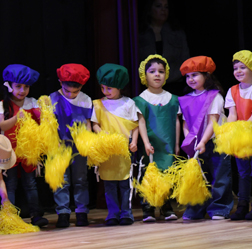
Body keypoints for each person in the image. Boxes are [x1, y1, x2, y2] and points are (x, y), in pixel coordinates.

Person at [178, 56, 234, 220]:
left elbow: (213, 122)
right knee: (199, 177)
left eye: (195, 75)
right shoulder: (186, 99)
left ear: (206, 76)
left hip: (216, 141)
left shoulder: (214, 96)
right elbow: (185, 124)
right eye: (188, 76)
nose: (191, 79)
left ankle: (219, 208)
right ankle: (196, 209)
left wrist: (203, 141)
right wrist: (190, 142)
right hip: (197, 144)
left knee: (220, 176)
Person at [0, 64, 47, 227]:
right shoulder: (4, 104)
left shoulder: (32, 102)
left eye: (26, 87)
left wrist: (45, 113)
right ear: (9, 86)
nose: (22, 90)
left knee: (30, 184)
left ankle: (36, 215)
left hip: (28, 151)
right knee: (10, 184)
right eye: (18, 86)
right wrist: (17, 117)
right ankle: (11, 217)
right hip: (9, 150)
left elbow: (43, 122)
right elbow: (2, 125)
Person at [92, 64, 140, 226]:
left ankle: (126, 213)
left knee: (125, 183)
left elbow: (135, 125)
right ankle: (113, 213)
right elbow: (95, 124)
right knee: (109, 184)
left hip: (124, 150)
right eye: (102, 88)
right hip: (107, 151)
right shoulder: (98, 104)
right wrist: (102, 135)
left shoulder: (128, 103)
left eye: (109, 88)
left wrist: (134, 142)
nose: (105, 91)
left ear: (119, 87)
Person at [135, 55, 180, 222]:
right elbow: (140, 122)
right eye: (152, 71)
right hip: (151, 145)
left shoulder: (173, 99)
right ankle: (148, 208)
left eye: (161, 71)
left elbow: (176, 121)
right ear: (144, 75)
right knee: (149, 174)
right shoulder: (141, 99)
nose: (157, 75)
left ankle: (166, 206)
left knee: (167, 174)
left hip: (167, 145)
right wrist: (146, 143)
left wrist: (176, 144)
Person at [50, 63, 94, 228]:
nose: (70, 95)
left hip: (79, 145)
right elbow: (48, 124)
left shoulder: (86, 99)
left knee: (81, 179)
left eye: (75, 92)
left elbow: (88, 123)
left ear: (81, 87)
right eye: (67, 91)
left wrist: (88, 142)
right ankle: (63, 213)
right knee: (61, 179)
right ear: (60, 83)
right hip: (58, 144)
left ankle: (81, 212)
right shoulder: (52, 98)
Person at [226, 51, 252, 221]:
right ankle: (242, 206)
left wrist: (246, 125)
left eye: (243, 67)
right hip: (240, 137)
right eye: (235, 68)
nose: (238, 71)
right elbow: (232, 114)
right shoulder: (232, 90)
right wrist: (230, 130)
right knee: (242, 173)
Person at [138, 0, 191, 95]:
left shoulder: (177, 33)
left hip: (175, 85)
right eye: (158, 6)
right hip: (147, 87)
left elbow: (186, 60)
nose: (163, 10)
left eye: (166, 7)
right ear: (149, 9)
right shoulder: (141, 34)